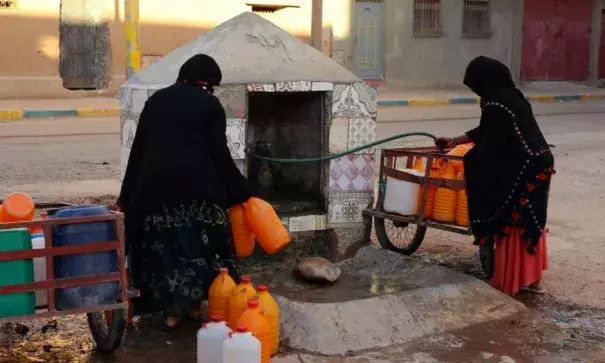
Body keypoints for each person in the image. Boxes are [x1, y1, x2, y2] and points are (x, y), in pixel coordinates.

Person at [118, 54, 255, 330]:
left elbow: (139, 151)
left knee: (166, 254)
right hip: (197, 195)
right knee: (199, 253)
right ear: (207, 81)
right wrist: (242, 188)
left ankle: (173, 310)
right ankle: (188, 307)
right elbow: (219, 153)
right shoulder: (209, 105)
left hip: (155, 195)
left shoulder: (156, 100)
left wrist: (128, 194)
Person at [435, 56, 555, 296]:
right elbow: (488, 130)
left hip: (524, 167)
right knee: (530, 219)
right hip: (540, 162)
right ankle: (533, 281)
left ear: (484, 81)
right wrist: (456, 141)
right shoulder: (512, 97)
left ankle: (508, 282)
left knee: (509, 217)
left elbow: (491, 147)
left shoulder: (495, 103)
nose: (477, 91)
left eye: (475, 86)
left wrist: (469, 161)